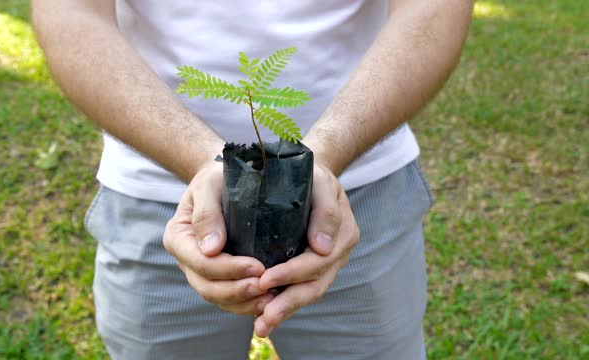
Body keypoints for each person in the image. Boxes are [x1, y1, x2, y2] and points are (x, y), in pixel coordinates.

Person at [32, 0, 472, 358]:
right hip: (157, 201)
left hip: (360, 195)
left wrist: (317, 160)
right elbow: (69, 12)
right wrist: (210, 162)